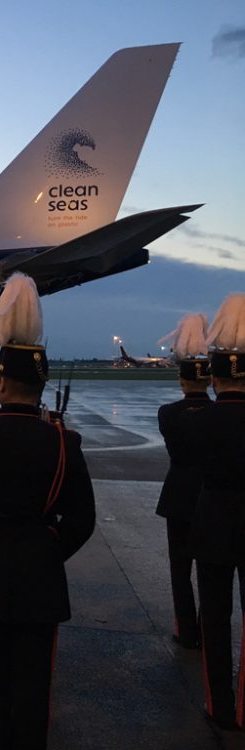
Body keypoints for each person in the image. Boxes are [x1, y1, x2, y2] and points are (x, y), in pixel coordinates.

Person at [0, 273, 95, 749]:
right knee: (34, 695)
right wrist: (47, 548)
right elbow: (82, 521)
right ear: (40, 383)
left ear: (1, 380)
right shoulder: (62, 441)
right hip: (40, 579)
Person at [185, 293, 245, 731]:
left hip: (211, 525)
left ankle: (219, 704)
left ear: (215, 374)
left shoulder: (198, 420)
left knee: (215, 619)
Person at [156, 313, 211, 649]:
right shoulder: (219, 416)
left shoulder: (168, 414)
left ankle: (185, 628)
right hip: (209, 498)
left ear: (181, 380)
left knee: (180, 571)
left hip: (177, 497)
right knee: (208, 570)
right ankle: (208, 625)